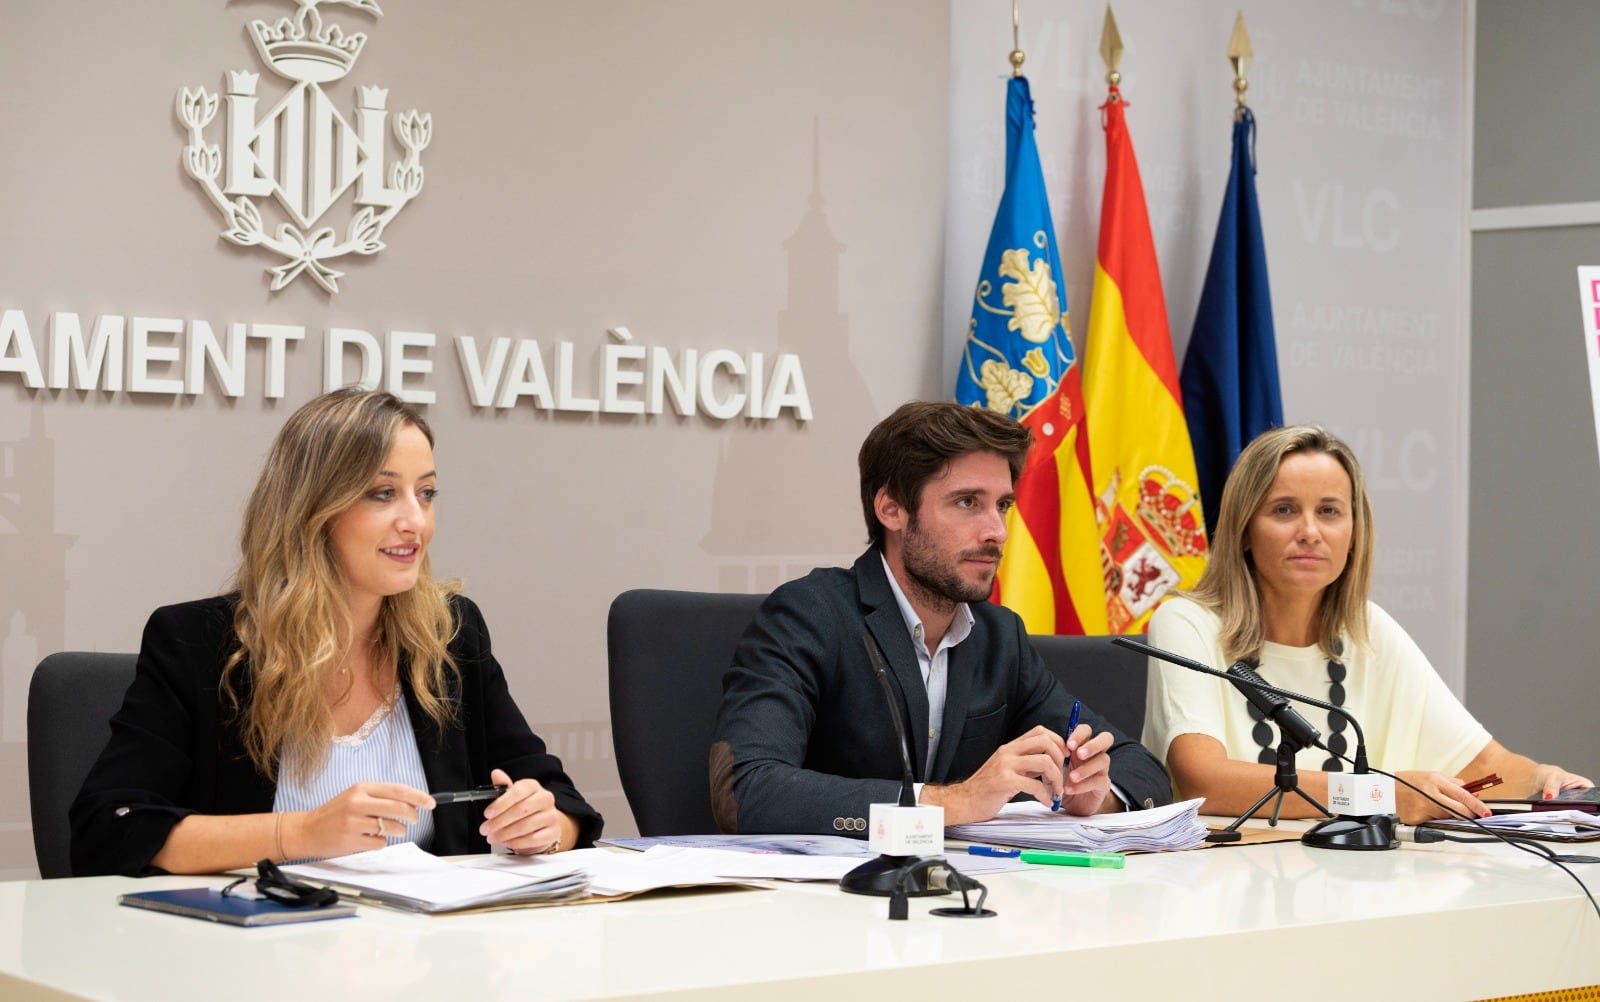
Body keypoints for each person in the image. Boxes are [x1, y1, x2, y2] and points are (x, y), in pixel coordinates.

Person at [71, 388, 602, 876]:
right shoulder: (199, 643)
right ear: (312, 510)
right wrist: (302, 832)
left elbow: (562, 801)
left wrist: (546, 826)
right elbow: (111, 830)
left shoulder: (449, 636)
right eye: (382, 493)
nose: (415, 520)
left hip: (428, 959)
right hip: (251, 956)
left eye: (427, 493)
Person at [710, 401, 1171, 836]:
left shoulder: (999, 637)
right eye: (968, 502)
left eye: (1003, 504)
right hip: (829, 902)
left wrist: (1096, 795)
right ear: (891, 509)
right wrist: (950, 802)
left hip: (964, 898)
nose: (997, 531)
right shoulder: (811, 615)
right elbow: (746, 789)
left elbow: (1139, 765)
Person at [1143, 424, 1592, 824]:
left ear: (1354, 534)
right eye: (1283, 510)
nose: (1310, 531)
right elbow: (1206, 781)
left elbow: (1484, 768)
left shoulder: (1367, 631)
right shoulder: (1187, 624)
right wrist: (1377, 794)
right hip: (1222, 891)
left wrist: (1541, 779)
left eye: (1329, 511)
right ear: (1243, 529)